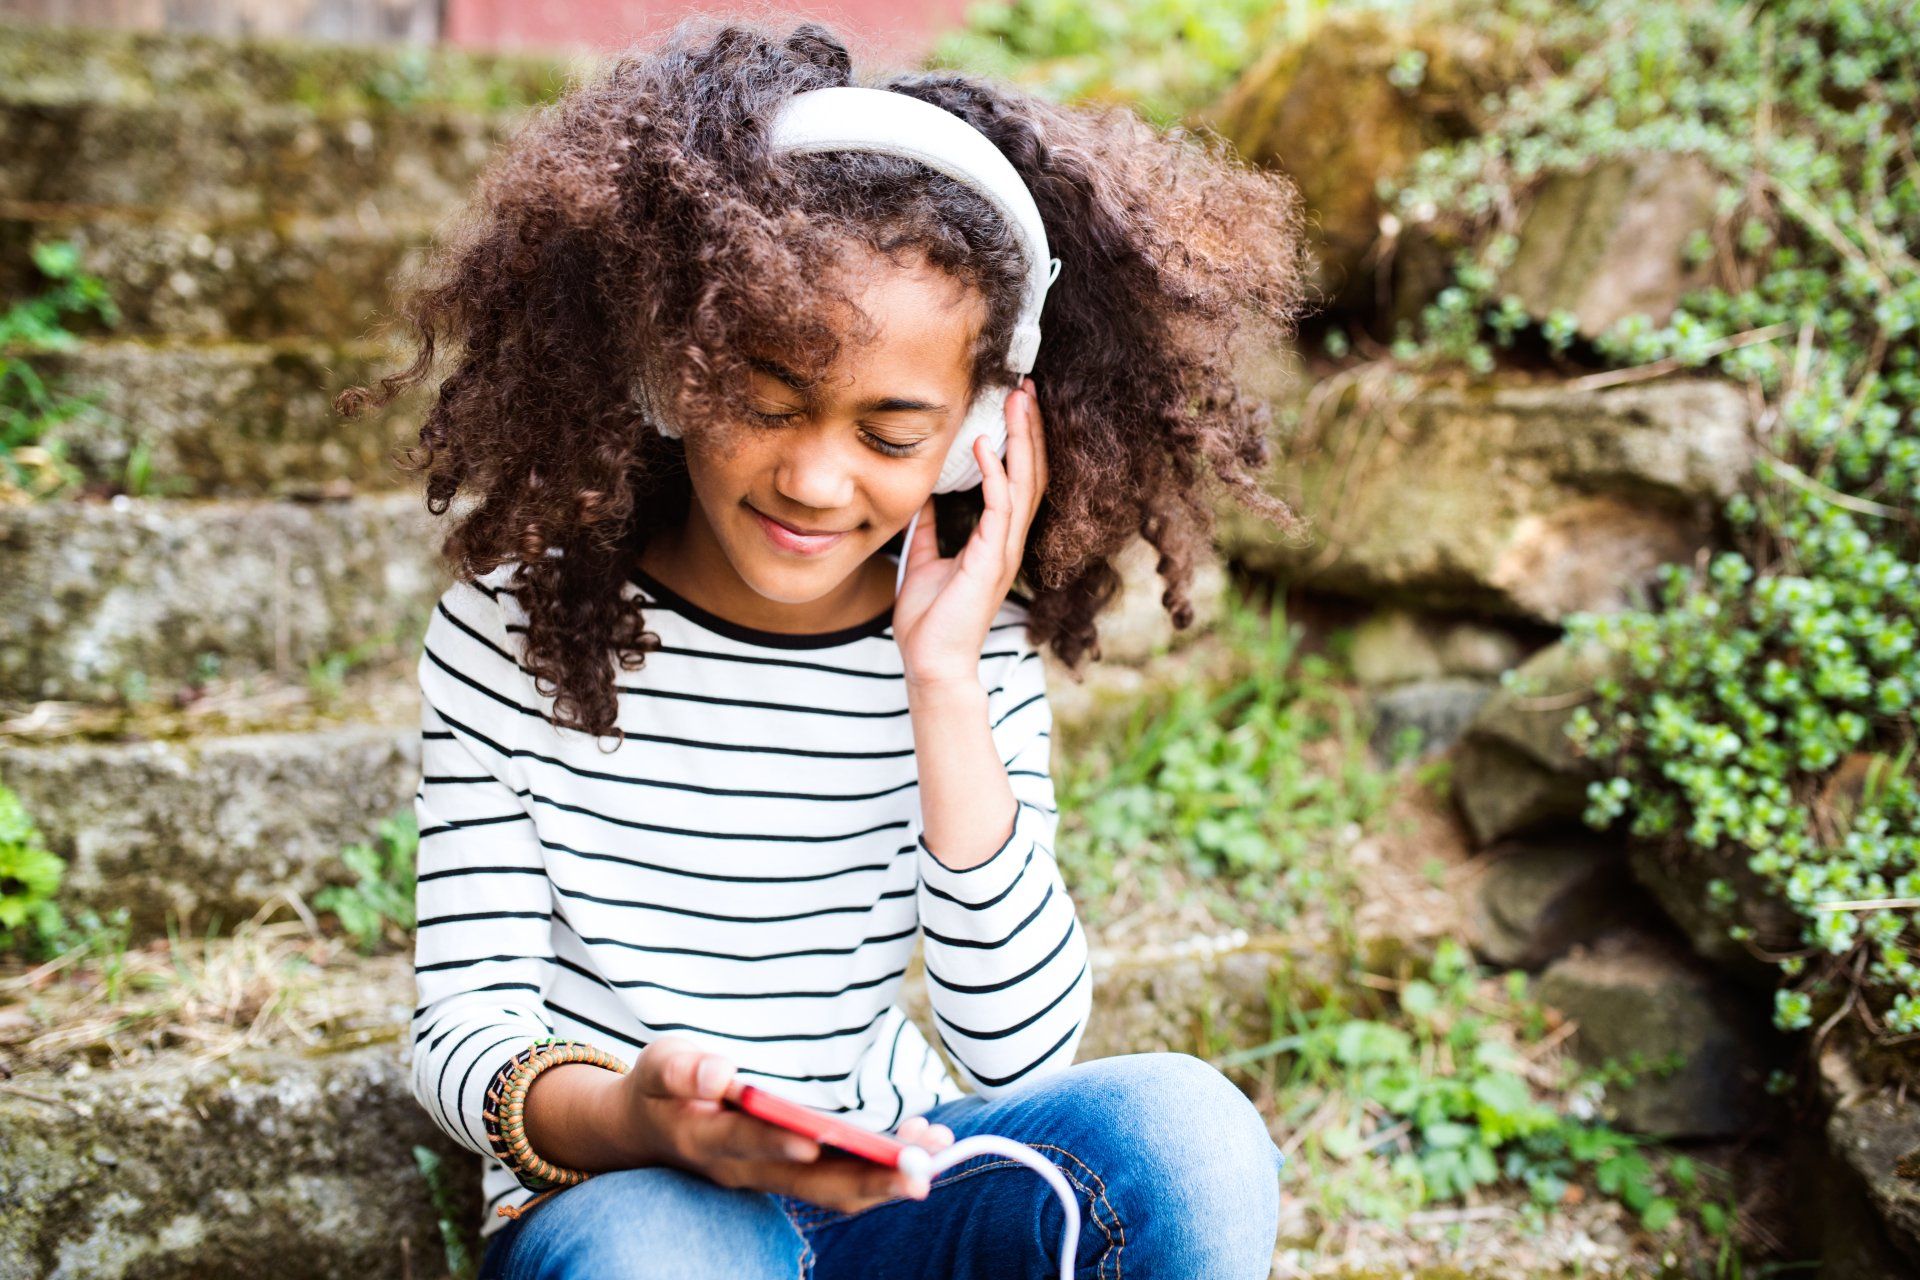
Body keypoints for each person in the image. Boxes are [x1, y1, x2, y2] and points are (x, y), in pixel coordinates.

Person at [337, 14, 1311, 1279]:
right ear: (666, 369)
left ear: (977, 437)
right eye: (765, 398)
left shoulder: (968, 662)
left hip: (886, 1181)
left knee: (1192, 1135)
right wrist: (637, 1113)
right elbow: (462, 1031)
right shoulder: (509, 632)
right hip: (630, 1197)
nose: (811, 475)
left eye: (890, 432)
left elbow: (1022, 1055)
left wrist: (944, 679)